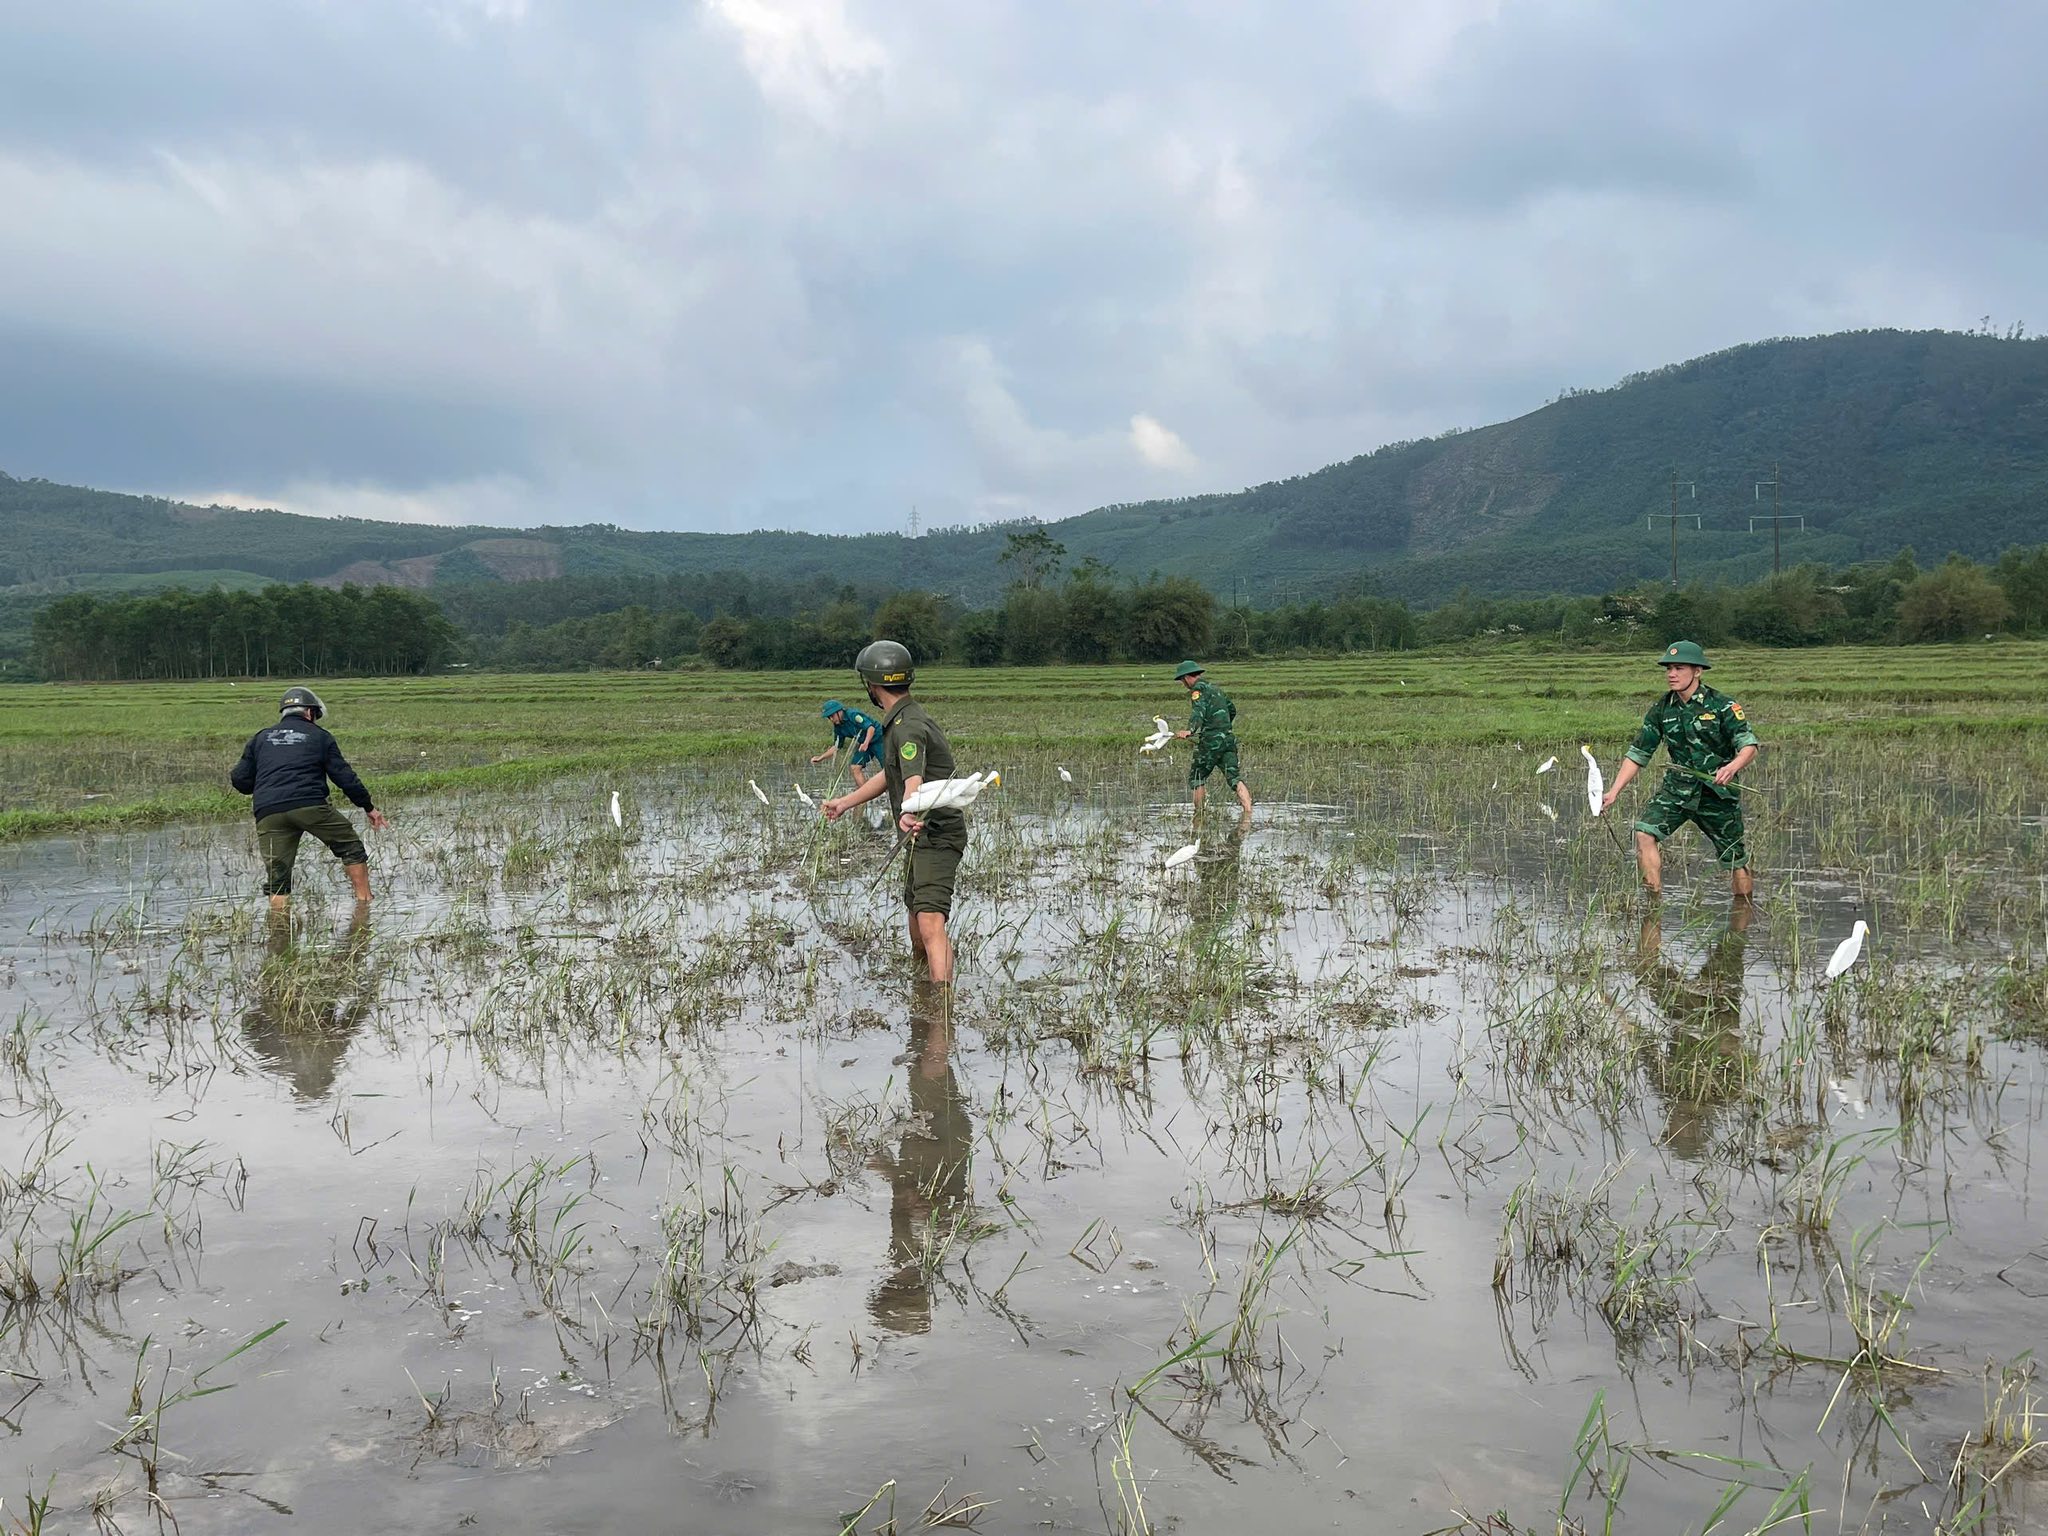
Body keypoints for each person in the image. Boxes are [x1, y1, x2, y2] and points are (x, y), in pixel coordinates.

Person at [821, 642, 967, 985]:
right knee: (917, 916)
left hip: (933, 833)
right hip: (917, 833)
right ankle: (924, 986)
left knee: (930, 922)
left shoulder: (908, 727)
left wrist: (909, 808)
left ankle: (941, 1011)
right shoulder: (902, 718)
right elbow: (892, 773)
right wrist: (846, 802)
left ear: (871, 684)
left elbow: (912, 777)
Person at [1599, 641, 1758, 900]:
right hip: (1678, 789)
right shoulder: (1662, 708)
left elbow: (1748, 745)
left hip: (1716, 792)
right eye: (1669, 668)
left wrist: (1731, 767)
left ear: (1697, 671)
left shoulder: (1723, 706)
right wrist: (1614, 791)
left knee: (1734, 858)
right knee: (1644, 832)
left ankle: (1743, 915)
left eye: (1679, 668)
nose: (1671, 674)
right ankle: (1653, 904)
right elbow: (1639, 752)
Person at [230, 686, 389, 910]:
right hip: (310, 805)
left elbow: (240, 779)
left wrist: (267, 786)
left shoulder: (261, 738)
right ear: (310, 713)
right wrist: (368, 807)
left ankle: (280, 929)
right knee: (351, 847)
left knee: (278, 876)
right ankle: (365, 905)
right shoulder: (320, 736)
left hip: (268, 812)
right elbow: (344, 777)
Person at [1172, 660, 1253, 816]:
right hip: (1228, 739)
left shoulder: (1197, 691)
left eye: (1182, 680)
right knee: (1234, 778)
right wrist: (1223, 727)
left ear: (1187, 677)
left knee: (1197, 776)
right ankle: (1248, 815)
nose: (1183, 684)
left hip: (1210, 742)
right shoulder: (1216, 689)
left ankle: (1199, 815)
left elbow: (1199, 712)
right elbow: (1232, 709)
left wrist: (1189, 730)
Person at [812, 698, 882, 787]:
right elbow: (836, 747)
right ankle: (865, 796)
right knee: (855, 767)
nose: (831, 719)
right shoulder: (838, 727)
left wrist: (866, 743)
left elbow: (871, 728)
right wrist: (820, 758)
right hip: (864, 744)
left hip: (879, 739)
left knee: (888, 769)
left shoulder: (853, 715)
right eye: (829, 717)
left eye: (832, 716)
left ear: (839, 712)